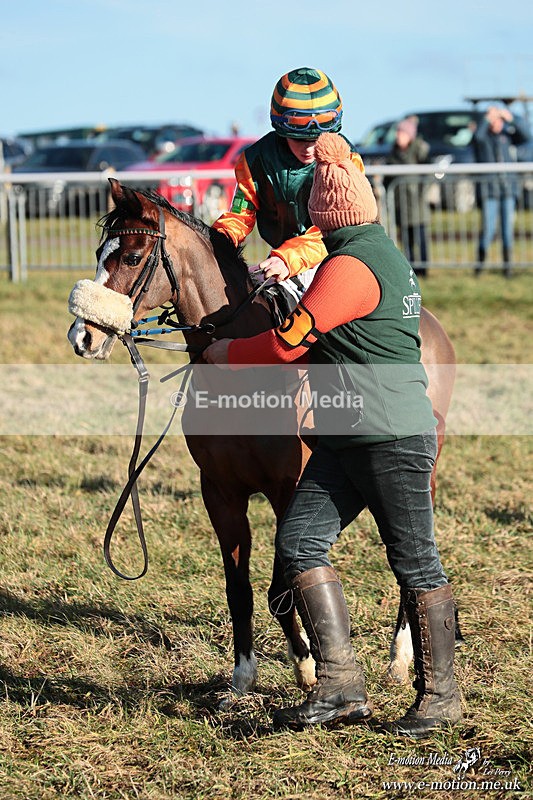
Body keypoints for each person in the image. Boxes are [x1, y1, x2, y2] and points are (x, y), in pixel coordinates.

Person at [204, 132, 462, 738]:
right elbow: (315, 350)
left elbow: (288, 341)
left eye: (313, 207)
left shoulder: (351, 266)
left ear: (327, 212)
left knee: (416, 563)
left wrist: (225, 353)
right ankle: (341, 686)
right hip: (345, 436)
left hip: (392, 438)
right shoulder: (370, 253)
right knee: (296, 546)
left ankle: (440, 698)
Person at [212, 67, 364, 288]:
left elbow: (335, 229)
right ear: (282, 132)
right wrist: (215, 244)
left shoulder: (347, 160)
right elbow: (238, 217)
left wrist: (287, 258)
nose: (309, 149)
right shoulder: (255, 160)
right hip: (282, 259)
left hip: (339, 256)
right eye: (299, 139)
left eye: (318, 139)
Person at [473, 105, 530, 278]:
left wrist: (511, 118)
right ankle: (479, 267)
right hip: (490, 191)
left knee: (507, 231)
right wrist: (487, 118)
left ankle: (508, 269)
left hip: (508, 191)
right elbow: (477, 136)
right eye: (493, 119)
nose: (496, 122)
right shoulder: (483, 138)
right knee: (488, 230)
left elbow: (527, 135)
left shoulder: (507, 136)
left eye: (498, 119)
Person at [385, 116, 431, 277]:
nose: (398, 135)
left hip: (417, 202)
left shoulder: (419, 149)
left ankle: (424, 269)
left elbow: (428, 172)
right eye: (397, 132)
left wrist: (422, 192)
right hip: (401, 203)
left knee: (421, 237)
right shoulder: (393, 153)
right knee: (406, 239)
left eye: (401, 132)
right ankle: (410, 268)